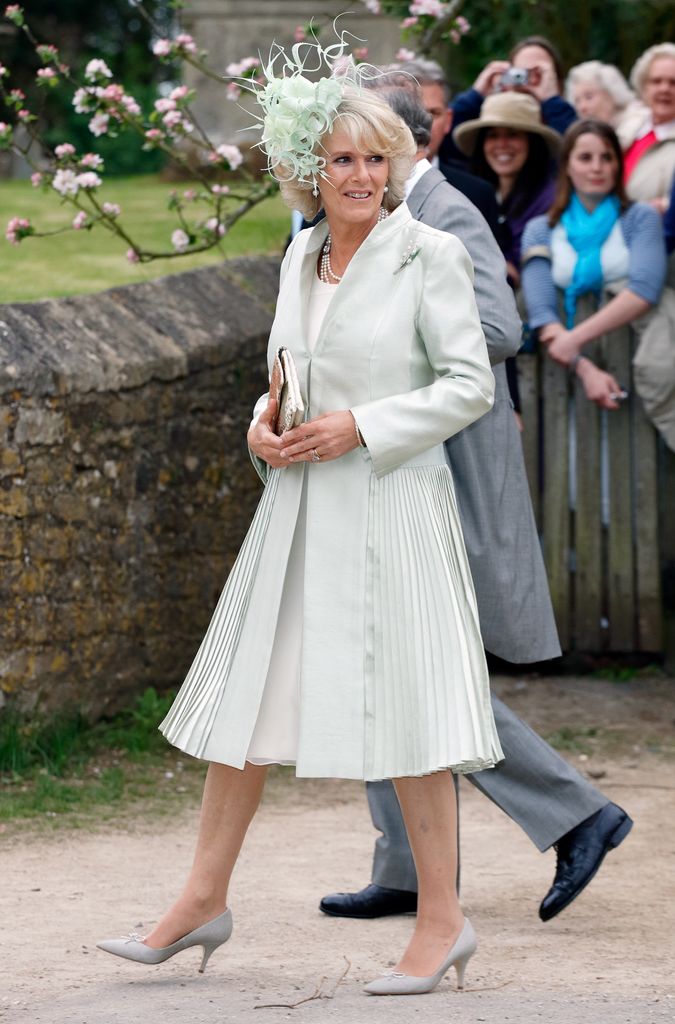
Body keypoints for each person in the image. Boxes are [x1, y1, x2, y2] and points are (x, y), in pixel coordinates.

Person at [97, 45, 503, 999]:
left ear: (395, 165)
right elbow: (286, 382)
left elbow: (469, 385)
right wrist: (261, 428)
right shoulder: (301, 253)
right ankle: (200, 898)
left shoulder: (429, 254)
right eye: (339, 161)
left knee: (408, 716)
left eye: (373, 160)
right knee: (244, 707)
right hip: (297, 514)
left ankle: (441, 922)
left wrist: (363, 425)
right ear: (310, 171)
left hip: (391, 507)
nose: (358, 177)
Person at [320, 87, 633, 928]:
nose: (350, 159)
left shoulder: (441, 209)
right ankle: (405, 866)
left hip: (440, 474)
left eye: (362, 142)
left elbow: (498, 326)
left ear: (398, 138)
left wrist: (386, 343)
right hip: (379, 464)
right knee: (376, 666)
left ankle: (575, 814)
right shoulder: (369, 209)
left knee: (416, 671)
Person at [522, 119, 667, 408]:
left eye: (607, 157)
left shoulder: (639, 217)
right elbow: (542, 313)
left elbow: (644, 288)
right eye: (585, 158)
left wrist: (573, 338)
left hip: (636, 363)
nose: (597, 167)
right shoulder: (540, 229)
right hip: (562, 379)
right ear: (567, 166)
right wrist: (583, 367)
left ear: (618, 164)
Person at [453, 91, 560, 286]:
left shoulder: (551, 198)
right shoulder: (472, 192)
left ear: (532, 142)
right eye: (493, 135)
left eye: (512, 134)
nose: (501, 145)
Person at [443, 35, 576, 166]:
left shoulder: (564, 118)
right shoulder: (493, 122)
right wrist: (475, 95)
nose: (528, 81)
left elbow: (576, 153)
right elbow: (444, 143)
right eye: (520, 73)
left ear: (557, 80)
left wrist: (552, 101)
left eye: (538, 73)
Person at [620, 43, 675, 211]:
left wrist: (666, 206)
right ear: (644, 87)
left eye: (673, 82)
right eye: (656, 81)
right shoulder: (627, 127)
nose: (664, 89)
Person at [566, 60, 647, 138]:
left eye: (589, 97)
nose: (582, 107)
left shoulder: (643, 126)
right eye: (577, 101)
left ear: (612, 94)